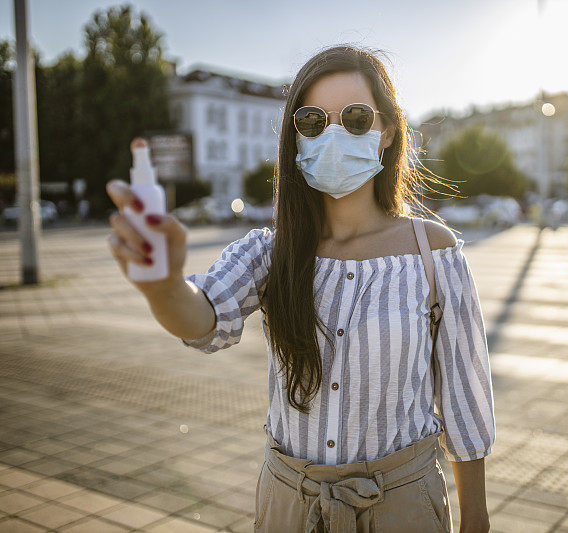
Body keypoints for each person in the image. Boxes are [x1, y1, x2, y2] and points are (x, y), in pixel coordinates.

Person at [105, 45, 495, 533]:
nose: (333, 135)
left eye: (355, 118)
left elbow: (465, 399)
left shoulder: (432, 252)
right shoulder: (271, 252)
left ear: (388, 131)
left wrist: (476, 519)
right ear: (295, 136)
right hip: (290, 505)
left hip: (405, 507)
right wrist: (162, 286)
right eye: (312, 121)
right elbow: (204, 317)